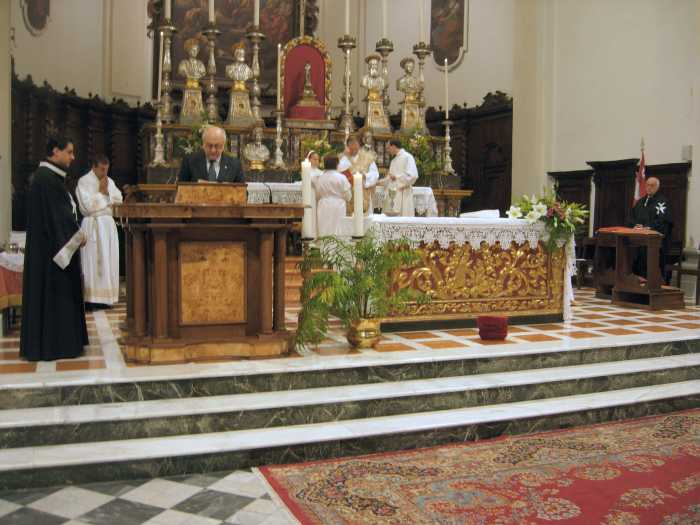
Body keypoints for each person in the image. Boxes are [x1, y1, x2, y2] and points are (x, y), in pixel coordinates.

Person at [20, 136, 88, 361]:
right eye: (69, 152)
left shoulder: (48, 177)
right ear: (55, 151)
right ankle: (57, 345)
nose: (72, 157)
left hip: (47, 252)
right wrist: (78, 237)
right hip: (51, 256)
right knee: (56, 296)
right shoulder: (47, 179)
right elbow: (60, 218)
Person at [76, 155, 123, 309]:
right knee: (91, 263)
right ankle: (90, 299)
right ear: (94, 167)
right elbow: (87, 207)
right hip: (92, 226)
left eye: (106, 169)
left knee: (108, 261)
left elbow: (119, 199)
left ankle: (106, 298)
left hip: (107, 226)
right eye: (102, 169)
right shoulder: (84, 181)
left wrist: (106, 196)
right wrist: (103, 194)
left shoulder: (110, 181)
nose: (104, 173)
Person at [628, 176, 673, 281]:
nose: (649, 187)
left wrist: (648, 228)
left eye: (652, 185)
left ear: (657, 187)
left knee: (646, 253)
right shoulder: (640, 202)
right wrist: (635, 226)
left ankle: (650, 281)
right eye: (647, 185)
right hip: (638, 239)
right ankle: (634, 282)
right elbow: (631, 218)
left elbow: (663, 221)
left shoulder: (662, 202)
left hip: (655, 242)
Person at [178, 126, 245, 183]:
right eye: (209, 146)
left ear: (223, 146)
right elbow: (180, 190)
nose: (213, 150)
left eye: (217, 146)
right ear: (203, 145)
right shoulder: (190, 162)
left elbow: (243, 193)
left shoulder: (235, 165)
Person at [312, 155, 352, 237]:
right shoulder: (341, 177)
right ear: (337, 165)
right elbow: (348, 196)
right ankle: (337, 249)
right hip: (338, 205)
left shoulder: (320, 178)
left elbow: (317, 194)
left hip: (323, 205)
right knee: (337, 229)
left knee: (324, 229)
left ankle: (325, 248)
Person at [338, 135, 379, 214]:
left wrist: (365, 176)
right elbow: (338, 174)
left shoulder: (368, 158)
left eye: (355, 144)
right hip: (348, 194)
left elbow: (375, 174)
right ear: (347, 146)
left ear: (359, 145)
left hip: (363, 194)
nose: (353, 147)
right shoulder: (342, 158)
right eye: (351, 145)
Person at [380, 139, 418, 217]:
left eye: (388, 148)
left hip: (403, 194)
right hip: (392, 195)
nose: (387, 150)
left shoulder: (408, 157)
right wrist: (379, 182)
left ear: (393, 146)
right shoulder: (393, 161)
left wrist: (397, 178)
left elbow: (413, 176)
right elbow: (390, 177)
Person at [305, 150, 323, 238]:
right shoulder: (306, 170)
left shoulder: (321, 172)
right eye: (314, 159)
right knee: (310, 215)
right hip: (309, 196)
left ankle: (318, 238)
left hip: (318, 197)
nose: (316, 161)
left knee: (318, 217)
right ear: (309, 159)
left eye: (317, 159)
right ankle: (309, 236)